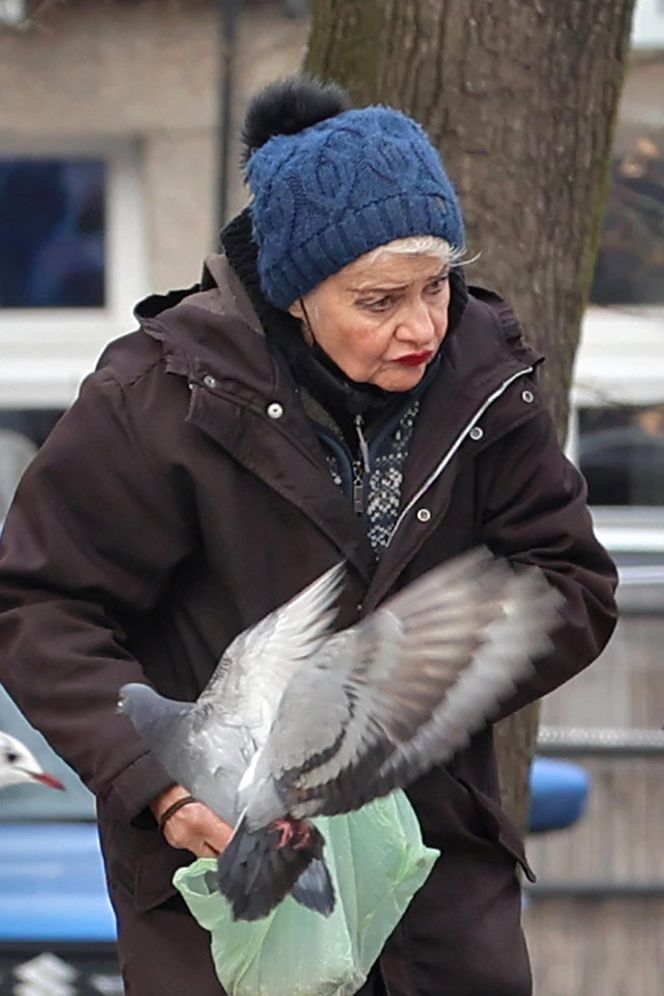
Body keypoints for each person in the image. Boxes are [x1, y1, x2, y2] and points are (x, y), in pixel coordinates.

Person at [0, 77, 617, 996]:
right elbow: (41, 607)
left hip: (438, 883)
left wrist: (408, 689)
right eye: (379, 301)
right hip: (227, 878)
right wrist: (160, 792)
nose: (421, 326)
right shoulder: (152, 399)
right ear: (294, 297)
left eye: (436, 285)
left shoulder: (484, 369)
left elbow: (569, 579)